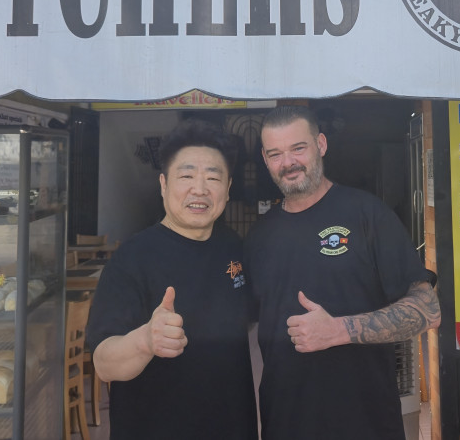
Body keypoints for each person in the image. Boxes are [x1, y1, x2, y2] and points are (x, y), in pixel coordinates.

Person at [245, 106, 441, 440]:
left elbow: (428, 310)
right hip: (286, 422)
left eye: (298, 148)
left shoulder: (368, 214)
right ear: (265, 159)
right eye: (275, 154)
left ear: (321, 144)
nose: (288, 162)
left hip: (365, 421)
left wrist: (339, 330)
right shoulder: (258, 237)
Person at [86, 120, 257, 440]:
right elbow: (103, 363)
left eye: (213, 177)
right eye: (187, 176)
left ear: (228, 187)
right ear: (164, 184)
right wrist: (145, 341)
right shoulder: (132, 258)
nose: (200, 189)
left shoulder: (233, 246)